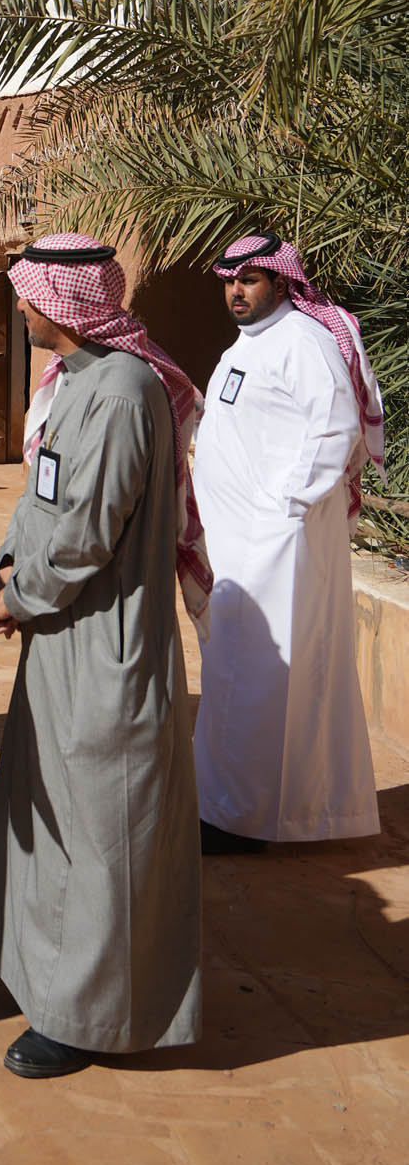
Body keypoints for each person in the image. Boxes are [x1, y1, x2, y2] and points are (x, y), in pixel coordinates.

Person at [0, 234, 209, 1078]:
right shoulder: (75, 382)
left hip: (103, 642)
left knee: (107, 832)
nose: (21, 308)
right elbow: (42, 498)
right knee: (61, 819)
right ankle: (51, 982)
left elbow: (82, 534)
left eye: (29, 295)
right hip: (62, 634)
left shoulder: (116, 391)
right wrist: (5, 567)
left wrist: (19, 594)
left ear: (60, 303)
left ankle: (91, 1019)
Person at [192, 231, 384, 851]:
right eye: (228, 281)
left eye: (249, 281)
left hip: (274, 543)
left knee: (259, 681)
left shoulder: (303, 341)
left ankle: (245, 819)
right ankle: (238, 808)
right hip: (240, 546)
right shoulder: (251, 345)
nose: (236, 292)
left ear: (281, 282)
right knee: (237, 675)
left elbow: (337, 428)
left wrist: (287, 508)